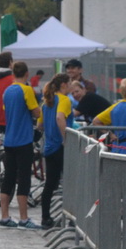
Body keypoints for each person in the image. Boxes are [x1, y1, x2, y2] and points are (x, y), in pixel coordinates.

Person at [0, 61, 41, 229]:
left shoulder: (8, 90)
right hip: (24, 140)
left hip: (9, 139)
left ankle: (5, 216)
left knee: (8, 178)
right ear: (27, 74)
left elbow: (5, 108)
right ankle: (24, 218)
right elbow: (35, 111)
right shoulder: (26, 89)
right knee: (23, 179)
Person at [38, 76, 74, 229]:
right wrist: (65, 138)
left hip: (49, 147)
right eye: (70, 83)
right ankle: (72, 217)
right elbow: (60, 117)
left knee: (50, 184)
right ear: (64, 84)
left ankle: (45, 217)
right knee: (71, 183)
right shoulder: (64, 100)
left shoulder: (47, 102)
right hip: (61, 147)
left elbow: (40, 124)